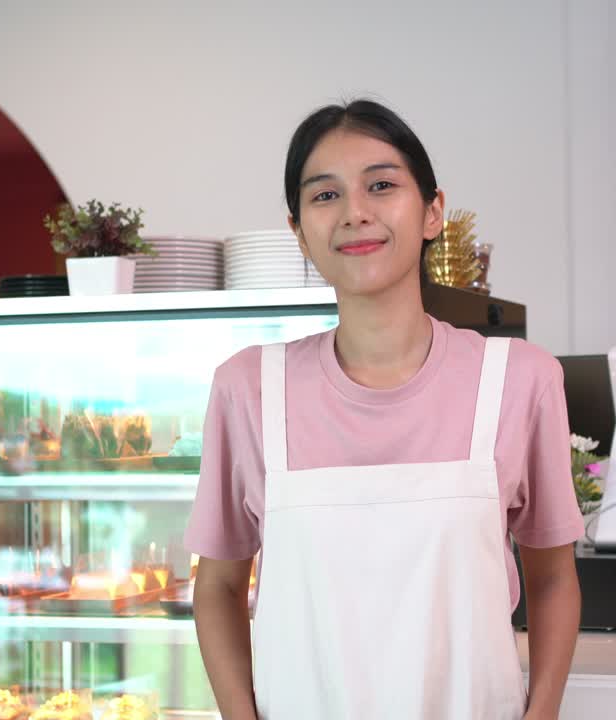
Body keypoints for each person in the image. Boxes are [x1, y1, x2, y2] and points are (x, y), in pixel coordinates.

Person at [184, 98, 583, 719]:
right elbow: (218, 586)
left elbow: (553, 577)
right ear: (299, 232)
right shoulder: (248, 388)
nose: (355, 213)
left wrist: (543, 712)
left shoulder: (520, 380)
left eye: (381, 185)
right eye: (325, 196)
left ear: (432, 212)